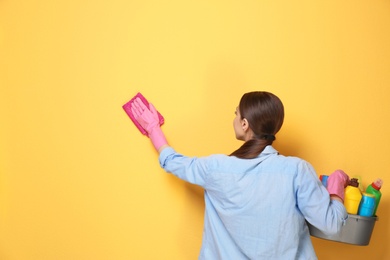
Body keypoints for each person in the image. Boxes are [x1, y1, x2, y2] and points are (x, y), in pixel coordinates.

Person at [130, 91, 349, 260]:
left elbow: (172, 161)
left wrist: (152, 127)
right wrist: (336, 190)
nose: (234, 118)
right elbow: (331, 224)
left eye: (236, 113)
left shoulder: (216, 168)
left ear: (244, 124)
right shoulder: (297, 170)